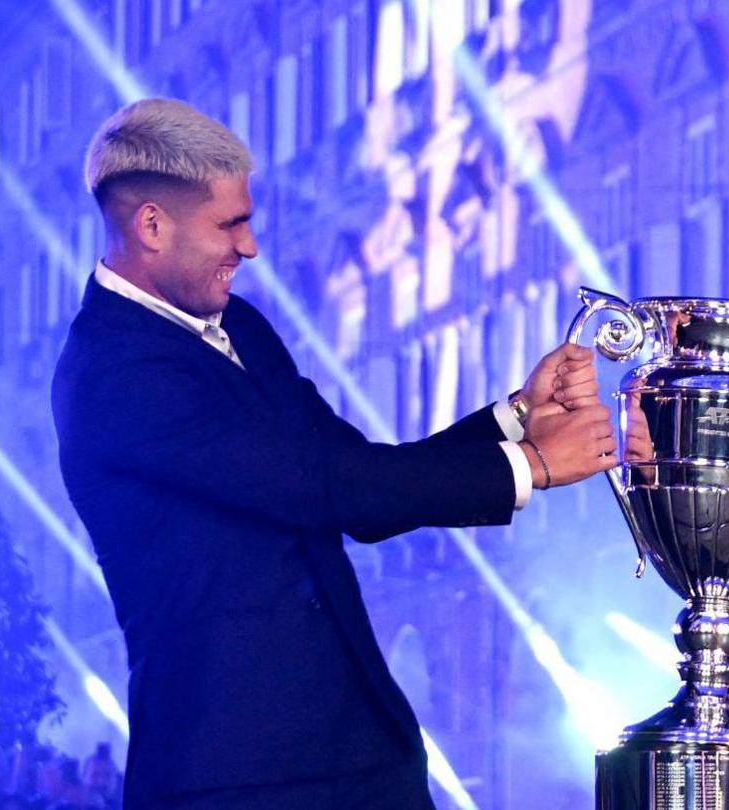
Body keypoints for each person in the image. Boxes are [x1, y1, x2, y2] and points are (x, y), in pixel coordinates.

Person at [52, 98, 618, 809]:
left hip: (362, 758)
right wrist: (531, 465)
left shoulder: (241, 327)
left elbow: (354, 472)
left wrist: (514, 418)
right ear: (152, 226)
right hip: (234, 779)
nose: (249, 246)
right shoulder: (113, 371)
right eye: (229, 224)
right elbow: (327, 486)